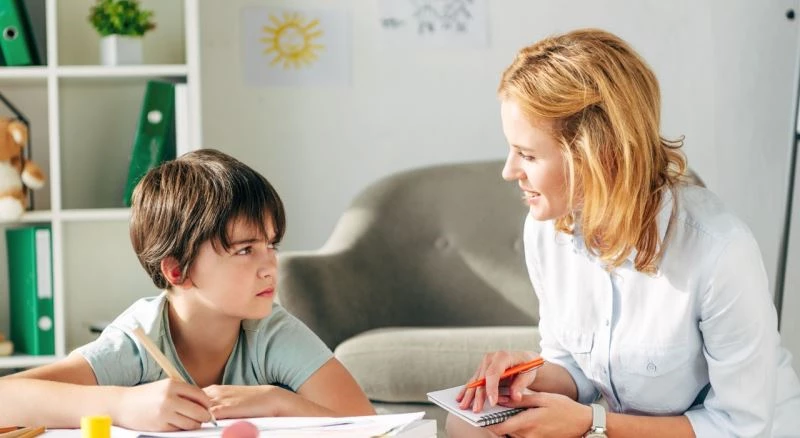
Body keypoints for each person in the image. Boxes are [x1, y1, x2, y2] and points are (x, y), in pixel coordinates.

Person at [447, 28, 800, 438]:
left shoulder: (720, 251)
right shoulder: (545, 232)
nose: (509, 172)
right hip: (619, 430)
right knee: (466, 424)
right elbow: (577, 369)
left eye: (527, 155)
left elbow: (739, 427)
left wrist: (592, 423)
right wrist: (530, 372)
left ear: (596, 154)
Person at [0, 149, 374, 431]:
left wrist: (278, 402)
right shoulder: (140, 339)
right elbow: (5, 398)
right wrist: (124, 405)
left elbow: (369, 423)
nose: (270, 265)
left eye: (271, 245)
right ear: (178, 270)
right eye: (245, 250)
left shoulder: (270, 330)